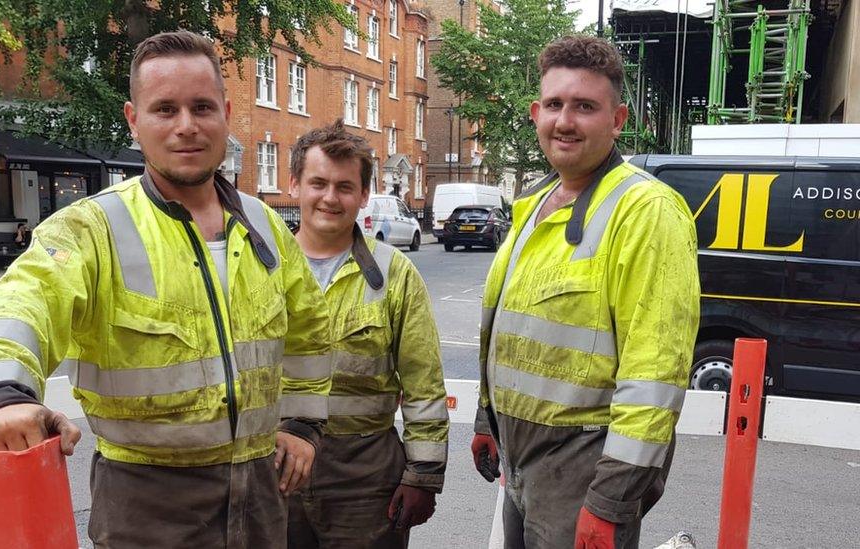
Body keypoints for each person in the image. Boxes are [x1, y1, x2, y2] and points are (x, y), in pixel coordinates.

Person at [0, 30, 332, 548]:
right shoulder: (91, 228)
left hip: (260, 494)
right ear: (134, 120)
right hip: (146, 503)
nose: (186, 127)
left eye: (201, 107)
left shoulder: (265, 225)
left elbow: (310, 336)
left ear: (225, 111)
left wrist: (301, 425)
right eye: (164, 109)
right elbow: (24, 301)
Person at [469, 35, 701, 548]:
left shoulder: (646, 211)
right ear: (535, 113)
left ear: (617, 120)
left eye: (585, 107)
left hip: (585, 468)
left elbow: (655, 376)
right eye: (554, 104)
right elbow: (510, 329)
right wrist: (489, 419)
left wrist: (611, 500)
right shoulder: (535, 205)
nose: (565, 121)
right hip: (522, 460)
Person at [285, 120, 449, 548]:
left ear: (362, 195)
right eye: (317, 183)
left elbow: (423, 383)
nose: (329, 197)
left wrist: (424, 475)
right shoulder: (260, 268)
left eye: (344, 187)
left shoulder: (395, 274)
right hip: (275, 469)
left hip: (365, 477)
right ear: (294, 186)